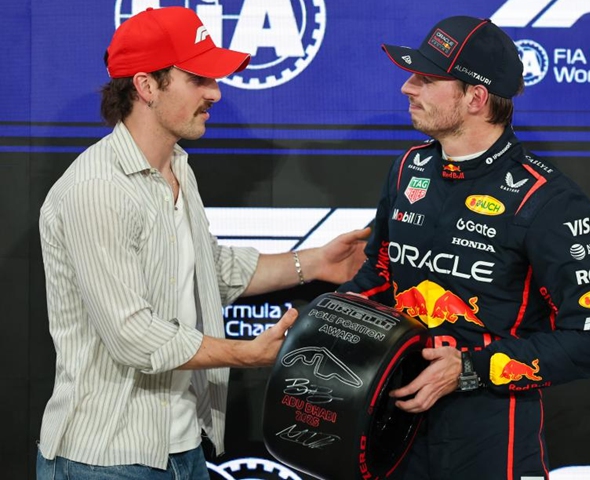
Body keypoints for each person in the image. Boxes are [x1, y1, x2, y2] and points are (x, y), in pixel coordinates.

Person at [36, 6, 369, 479]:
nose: (215, 92)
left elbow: (209, 270)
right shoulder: (98, 189)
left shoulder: (178, 167)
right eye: (198, 79)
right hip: (106, 458)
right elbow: (132, 336)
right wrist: (244, 353)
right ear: (146, 86)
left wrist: (317, 262)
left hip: (184, 448)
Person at [338, 16, 590, 480]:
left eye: (427, 79)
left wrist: (467, 369)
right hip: (389, 425)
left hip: (490, 438)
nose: (408, 88)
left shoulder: (549, 199)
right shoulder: (409, 168)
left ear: (476, 97)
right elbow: (381, 277)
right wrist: (326, 320)